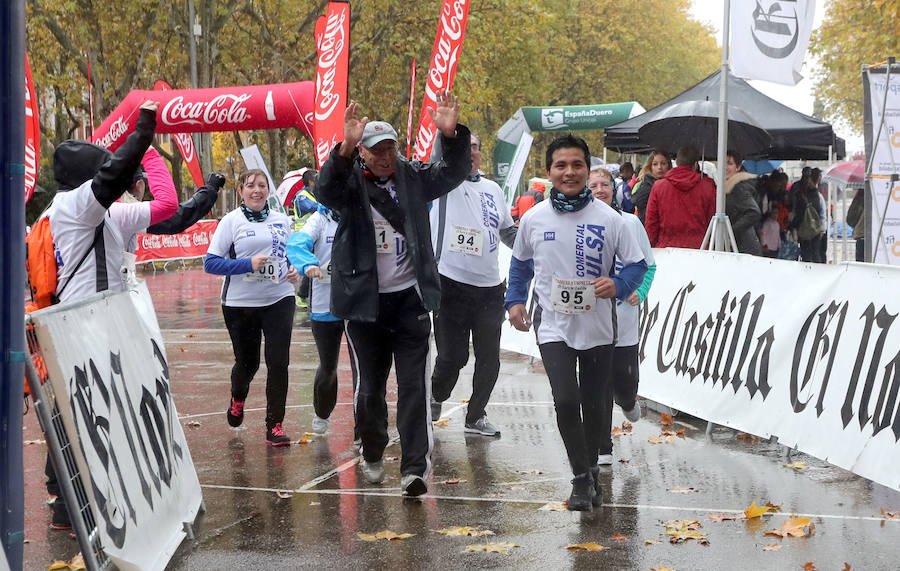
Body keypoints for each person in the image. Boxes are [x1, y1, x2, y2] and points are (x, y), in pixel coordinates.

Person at [315, 90, 470, 497]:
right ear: (362, 153)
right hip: (363, 304)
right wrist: (345, 146)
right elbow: (324, 189)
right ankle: (371, 449)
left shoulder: (414, 177)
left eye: (390, 148)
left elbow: (452, 173)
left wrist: (451, 135)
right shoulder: (348, 183)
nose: (384, 156)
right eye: (374, 150)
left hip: (410, 301)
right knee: (369, 389)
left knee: (414, 386)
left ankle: (415, 468)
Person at [506, 135, 647, 511]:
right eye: (560, 165)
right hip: (552, 326)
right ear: (550, 171)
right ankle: (581, 478)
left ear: (587, 169)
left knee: (595, 404)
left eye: (577, 165)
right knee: (566, 401)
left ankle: (592, 471)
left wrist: (617, 284)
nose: (569, 172)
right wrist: (514, 300)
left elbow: (637, 266)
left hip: (599, 327)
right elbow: (520, 264)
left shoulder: (611, 219)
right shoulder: (534, 219)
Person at [40, 100, 160, 530]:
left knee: (77, 407)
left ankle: (67, 499)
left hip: (84, 321)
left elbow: (164, 211)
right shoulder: (77, 204)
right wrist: (144, 131)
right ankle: (68, 504)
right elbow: (112, 178)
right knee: (84, 410)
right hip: (82, 324)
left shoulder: (71, 209)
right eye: (100, 171)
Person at [204, 169, 300, 446]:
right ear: (241, 192)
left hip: (280, 297)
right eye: (250, 186)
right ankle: (238, 398)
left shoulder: (282, 220)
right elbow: (210, 263)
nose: (256, 190)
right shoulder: (231, 222)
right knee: (248, 364)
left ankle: (275, 426)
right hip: (240, 303)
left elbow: (292, 254)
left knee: (279, 362)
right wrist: (247, 264)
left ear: (268, 191)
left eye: (261, 185)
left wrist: (295, 270)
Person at [429, 133, 517, 437]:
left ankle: (476, 415)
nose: (471, 154)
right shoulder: (441, 185)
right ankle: (436, 395)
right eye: (464, 149)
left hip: (490, 288)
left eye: (476, 148)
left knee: (489, 359)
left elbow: (507, 232)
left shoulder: (493, 189)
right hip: (450, 285)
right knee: (453, 358)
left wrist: (532, 246)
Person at [588, 168, 655, 466]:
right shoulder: (578, 223)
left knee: (625, 384)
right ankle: (602, 446)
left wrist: (638, 292)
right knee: (597, 383)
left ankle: (628, 400)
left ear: (614, 190)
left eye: (605, 184)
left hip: (625, 319)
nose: (600, 189)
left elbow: (649, 266)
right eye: (594, 185)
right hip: (590, 319)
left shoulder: (630, 222)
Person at [285, 204, 355, 435]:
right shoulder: (320, 219)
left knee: (364, 369)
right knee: (328, 367)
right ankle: (321, 413)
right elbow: (296, 244)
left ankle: (364, 425)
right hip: (325, 305)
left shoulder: (362, 211)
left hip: (358, 305)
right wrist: (308, 264)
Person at [644, 146, 716, 248]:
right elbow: (712, 221)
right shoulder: (707, 186)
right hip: (699, 249)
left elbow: (651, 223)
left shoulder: (658, 187)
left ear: (677, 163)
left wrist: (650, 249)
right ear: (695, 165)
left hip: (666, 248)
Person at [724, 150, 763, 255]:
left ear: (738, 167)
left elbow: (754, 212)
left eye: (730, 163)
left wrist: (731, 232)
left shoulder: (738, 187)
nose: (725, 167)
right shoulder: (729, 185)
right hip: (741, 245)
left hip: (744, 246)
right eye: (723, 162)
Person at [791, 167, 826, 263]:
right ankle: (815, 272)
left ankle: (807, 272)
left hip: (803, 228)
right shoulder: (815, 192)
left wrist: (794, 227)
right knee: (815, 253)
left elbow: (796, 211)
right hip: (815, 228)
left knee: (806, 253)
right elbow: (820, 211)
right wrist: (822, 227)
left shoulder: (798, 191)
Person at [631, 150, 670, 224]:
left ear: (668, 165)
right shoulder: (646, 187)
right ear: (650, 166)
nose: (659, 167)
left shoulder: (672, 185)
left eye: (663, 163)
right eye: (655, 164)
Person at [846, 187, 865, 262]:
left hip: (861, 236)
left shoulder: (859, 199)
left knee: (861, 267)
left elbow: (850, 219)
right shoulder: (881, 198)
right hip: (875, 238)